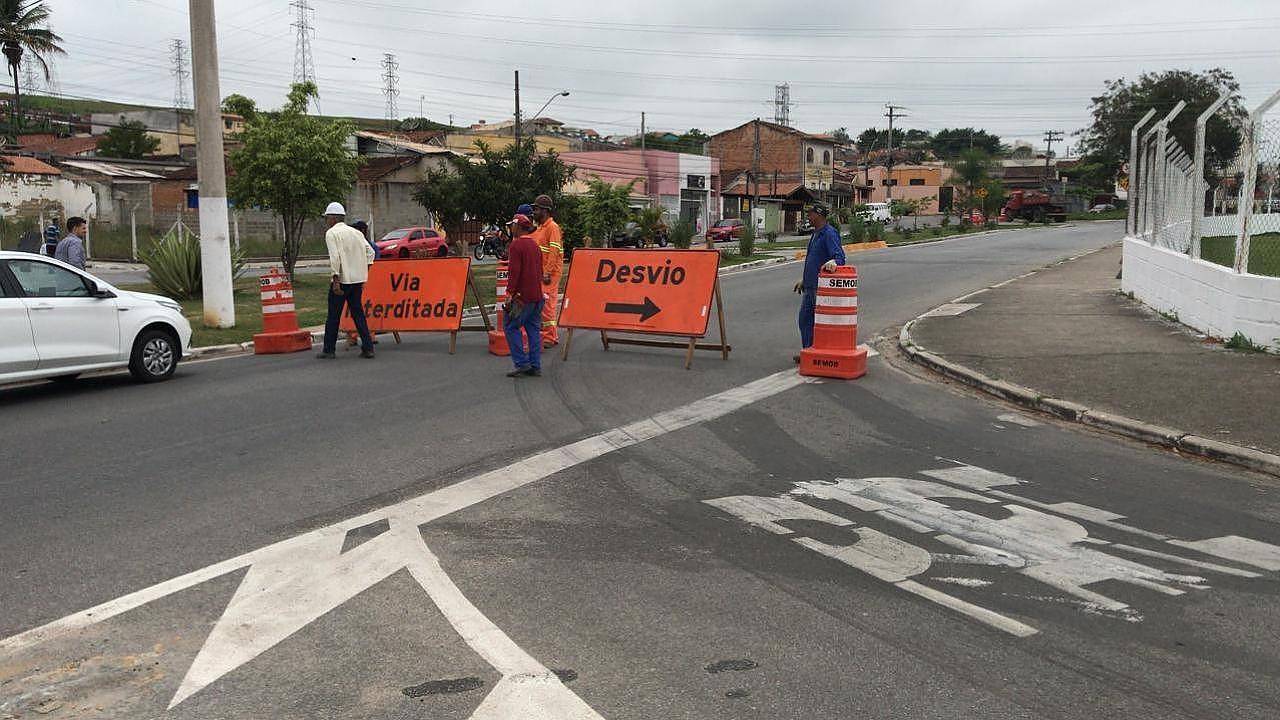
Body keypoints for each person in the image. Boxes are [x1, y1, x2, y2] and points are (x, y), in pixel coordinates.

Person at [318, 202, 376, 360]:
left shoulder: (331, 233)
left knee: (333, 316)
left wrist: (335, 279)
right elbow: (370, 252)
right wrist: (364, 271)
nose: (326, 221)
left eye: (327, 218)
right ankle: (368, 347)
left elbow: (335, 257)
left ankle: (329, 350)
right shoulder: (356, 232)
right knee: (358, 314)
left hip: (342, 280)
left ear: (333, 218)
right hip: (356, 281)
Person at [794, 203, 845, 362]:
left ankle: (817, 353)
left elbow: (840, 258)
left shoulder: (829, 234)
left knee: (819, 323)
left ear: (820, 215)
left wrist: (834, 263)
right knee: (804, 320)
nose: (808, 217)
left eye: (811, 214)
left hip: (821, 288)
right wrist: (805, 279)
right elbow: (813, 260)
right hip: (810, 286)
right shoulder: (816, 233)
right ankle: (809, 351)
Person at [503, 211, 543, 377]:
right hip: (537, 297)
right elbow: (540, 271)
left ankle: (521, 363)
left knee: (510, 327)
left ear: (518, 227)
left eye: (512, 226)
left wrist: (509, 293)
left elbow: (514, 272)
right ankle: (535, 365)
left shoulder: (516, 245)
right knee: (533, 329)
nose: (511, 228)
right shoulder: (535, 245)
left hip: (522, 298)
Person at [528, 194, 563, 348]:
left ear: (545, 210)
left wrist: (547, 272)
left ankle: (551, 336)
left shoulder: (552, 227)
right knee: (541, 303)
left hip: (550, 273)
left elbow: (554, 251)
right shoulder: (541, 228)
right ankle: (545, 332)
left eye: (536, 209)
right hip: (541, 273)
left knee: (547, 304)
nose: (534, 212)